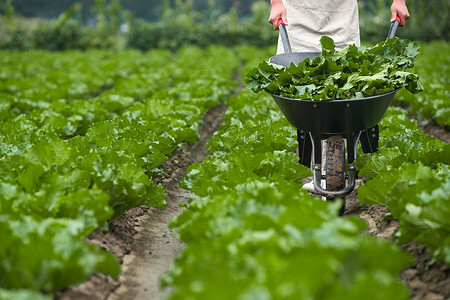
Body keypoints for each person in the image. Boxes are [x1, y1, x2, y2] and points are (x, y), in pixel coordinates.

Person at [268, 0, 410, 54]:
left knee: (343, 78)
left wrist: (399, 1)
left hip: (341, 13)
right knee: (294, 78)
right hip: (297, 12)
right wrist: (276, 3)